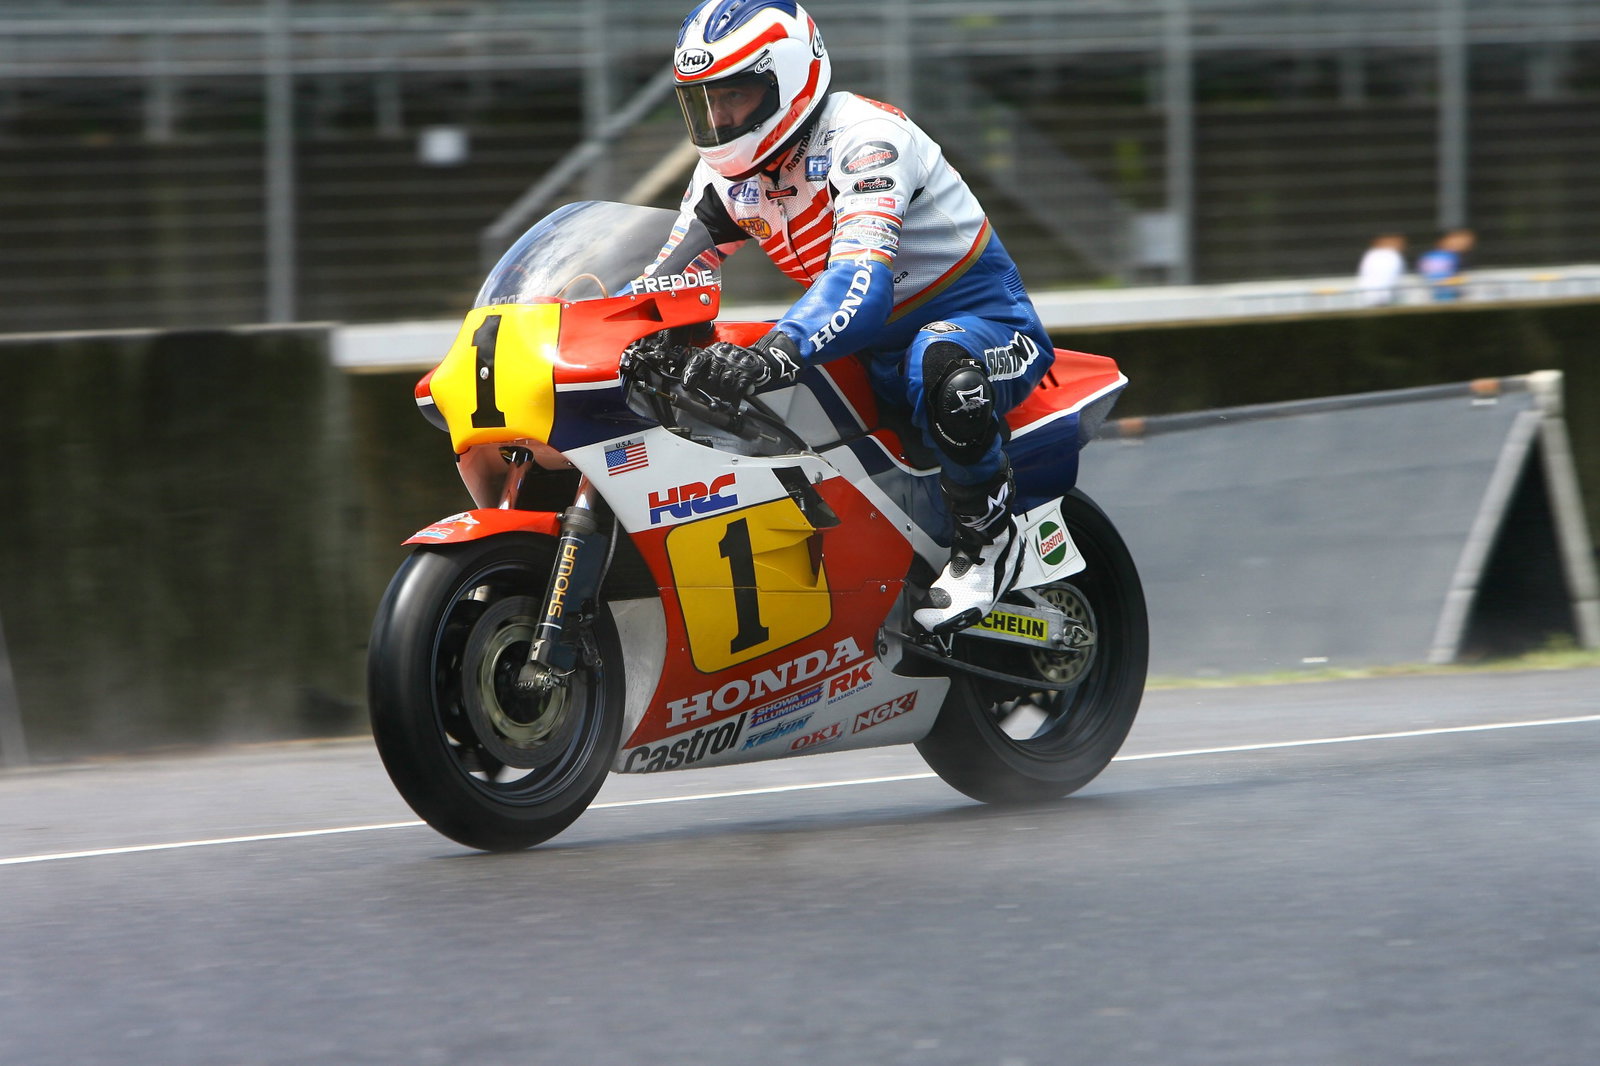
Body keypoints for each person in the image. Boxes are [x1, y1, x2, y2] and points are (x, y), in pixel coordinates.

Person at [650, 0, 1056, 635]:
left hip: (983, 325)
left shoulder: (867, 139)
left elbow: (859, 283)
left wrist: (774, 350)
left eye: (735, 95)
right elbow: (670, 276)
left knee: (941, 364)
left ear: (787, 81)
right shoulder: (724, 177)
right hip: (866, 348)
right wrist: (636, 334)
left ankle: (990, 545)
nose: (719, 119)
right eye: (704, 101)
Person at [1417, 228, 1475, 302]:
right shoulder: (1446, 256)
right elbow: (1439, 280)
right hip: (1442, 296)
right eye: (1457, 238)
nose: (1465, 242)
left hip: (1434, 295)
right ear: (1444, 240)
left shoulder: (1427, 255)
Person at [1355, 233, 1407, 307]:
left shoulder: (1371, 254)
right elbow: (1391, 279)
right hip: (1383, 300)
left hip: (1366, 297)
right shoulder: (1392, 255)